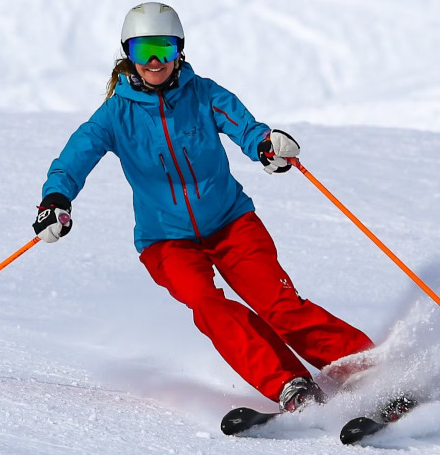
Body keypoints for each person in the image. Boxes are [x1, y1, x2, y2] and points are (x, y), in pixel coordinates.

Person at [33, 2, 373, 413]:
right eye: (144, 50)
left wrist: (267, 148)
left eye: (165, 48)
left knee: (277, 303)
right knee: (208, 306)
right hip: (166, 242)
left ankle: (363, 369)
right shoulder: (114, 115)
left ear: (180, 51)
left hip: (231, 223)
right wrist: (55, 199)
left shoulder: (204, 94)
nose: (155, 61)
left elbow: (245, 128)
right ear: (128, 55)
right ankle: (290, 385)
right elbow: (74, 158)